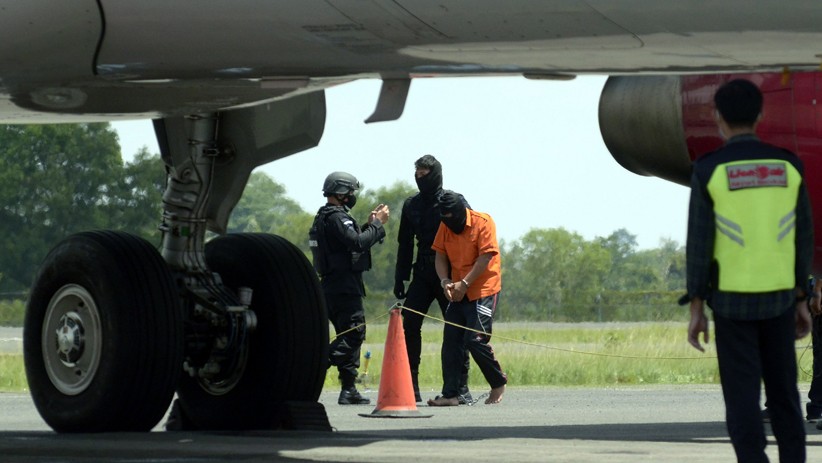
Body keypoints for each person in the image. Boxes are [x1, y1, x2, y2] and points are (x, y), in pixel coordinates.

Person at [685, 79, 813, 461]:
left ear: (717, 117)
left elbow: (699, 243)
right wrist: (804, 297)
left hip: (731, 305)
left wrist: (696, 307)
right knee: (785, 397)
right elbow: (802, 239)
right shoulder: (789, 167)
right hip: (779, 301)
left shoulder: (709, 170)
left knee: (742, 401)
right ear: (760, 115)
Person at [394, 154, 472, 403]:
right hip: (422, 271)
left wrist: (466, 278)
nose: (420, 179)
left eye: (424, 174)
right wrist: (400, 277)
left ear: (435, 173)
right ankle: (411, 385)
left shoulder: (453, 201)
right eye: (417, 174)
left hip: (450, 273)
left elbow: (470, 237)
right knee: (409, 325)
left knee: (456, 328)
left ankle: (460, 386)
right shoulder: (411, 205)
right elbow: (404, 244)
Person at [309, 171, 390, 405]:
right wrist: (377, 224)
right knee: (355, 333)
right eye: (351, 192)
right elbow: (357, 242)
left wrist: (367, 225)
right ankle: (317, 363)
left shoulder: (327, 217)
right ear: (341, 193)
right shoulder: (335, 217)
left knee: (347, 333)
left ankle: (348, 389)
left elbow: (349, 241)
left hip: (333, 285)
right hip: (343, 286)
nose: (353, 196)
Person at [427, 191, 507, 406]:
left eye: (453, 218)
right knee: (451, 339)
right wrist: (445, 281)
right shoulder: (445, 225)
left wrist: (465, 283)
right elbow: (440, 255)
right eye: (445, 218)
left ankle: (498, 384)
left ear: (462, 212)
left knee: (475, 339)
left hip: (483, 288)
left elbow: (486, 256)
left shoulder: (483, 222)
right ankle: (451, 395)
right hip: (458, 289)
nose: (450, 223)